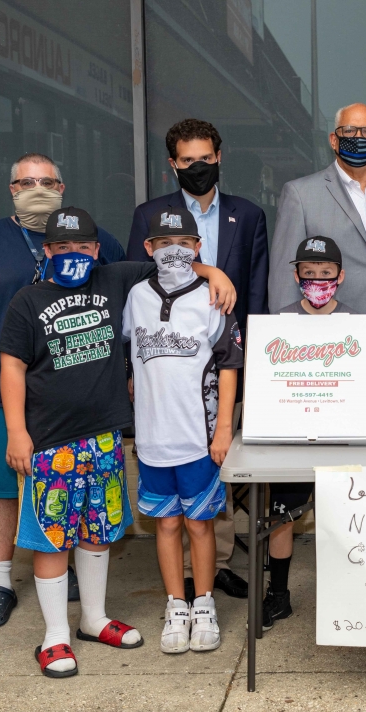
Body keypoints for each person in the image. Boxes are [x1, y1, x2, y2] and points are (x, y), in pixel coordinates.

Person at [0, 206, 235, 678]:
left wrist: (213, 271)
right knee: (53, 537)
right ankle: (55, 637)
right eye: (61, 247)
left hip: (104, 436)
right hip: (49, 440)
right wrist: (17, 431)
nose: (73, 255)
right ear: (46, 251)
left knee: (97, 533)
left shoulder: (112, 280)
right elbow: (12, 367)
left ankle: (93, 619)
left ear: (97, 249)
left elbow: (174, 263)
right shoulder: (27, 300)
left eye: (82, 246)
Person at [0, 153, 126, 628]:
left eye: (46, 181)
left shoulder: (92, 239)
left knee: (78, 489)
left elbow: (136, 291)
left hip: (74, 396)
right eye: (25, 182)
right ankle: (0, 582)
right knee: (1, 488)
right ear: (12, 190)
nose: (36, 188)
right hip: (0, 386)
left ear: (62, 188)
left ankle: (76, 580)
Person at [127, 118, 265, 600]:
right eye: (188, 160)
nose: (198, 167)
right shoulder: (151, 214)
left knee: (215, 458)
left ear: (219, 157)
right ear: (173, 165)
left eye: (206, 158)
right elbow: (136, 277)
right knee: (175, 473)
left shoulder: (246, 215)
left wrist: (258, 365)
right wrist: (205, 268)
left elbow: (256, 290)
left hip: (221, 359)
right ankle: (182, 576)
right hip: (165, 368)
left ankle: (217, 564)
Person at [122, 206, 244, 654]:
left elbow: (230, 366)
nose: (174, 251)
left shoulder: (214, 296)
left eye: (184, 243)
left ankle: (204, 602)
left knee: (200, 526)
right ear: (148, 248)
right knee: (167, 525)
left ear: (197, 247)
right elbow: (128, 356)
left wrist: (223, 431)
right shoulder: (134, 296)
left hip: (199, 437)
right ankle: (176, 604)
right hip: (153, 440)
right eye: (163, 244)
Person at [268, 102, 366, 429]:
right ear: (333, 139)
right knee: (337, 456)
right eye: (349, 131)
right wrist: (287, 353)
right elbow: (285, 279)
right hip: (330, 356)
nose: (359, 137)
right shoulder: (301, 193)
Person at [263, 235, 356, 630]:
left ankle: (350, 594)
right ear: (296, 274)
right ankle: (278, 596)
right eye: (309, 273)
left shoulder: (356, 324)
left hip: (344, 438)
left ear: (340, 275)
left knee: (347, 518)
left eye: (326, 273)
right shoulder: (280, 322)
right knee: (282, 518)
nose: (318, 280)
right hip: (292, 440)